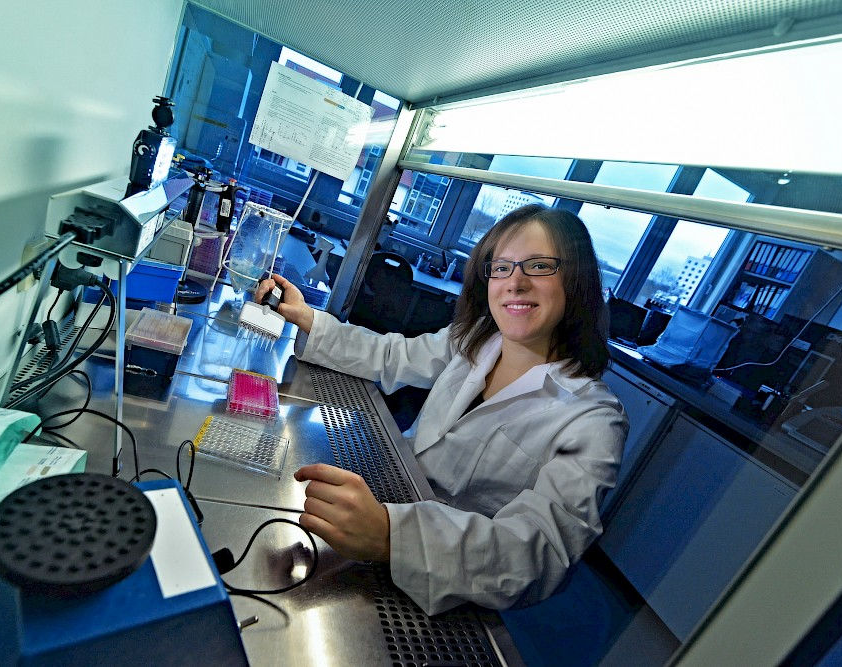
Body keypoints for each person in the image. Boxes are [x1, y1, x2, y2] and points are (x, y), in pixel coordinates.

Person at [255, 204, 628, 615]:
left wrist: (392, 536)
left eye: (539, 266)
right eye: (501, 267)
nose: (516, 283)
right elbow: (392, 356)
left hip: (450, 583)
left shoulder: (594, 420)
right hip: (386, 499)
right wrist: (308, 318)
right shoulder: (476, 338)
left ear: (576, 281)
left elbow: (541, 555)